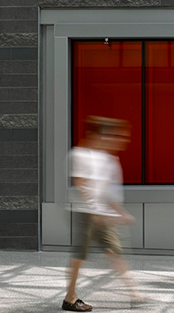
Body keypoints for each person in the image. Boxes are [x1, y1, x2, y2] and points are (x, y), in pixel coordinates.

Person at [62, 116, 143, 312]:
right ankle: (69, 298)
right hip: (85, 213)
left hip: (102, 213)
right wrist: (94, 211)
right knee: (80, 255)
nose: (118, 141)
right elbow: (81, 184)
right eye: (112, 136)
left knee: (114, 252)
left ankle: (135, 294)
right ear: (97, 135)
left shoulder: (107, 158)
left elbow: (106, 192)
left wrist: (120, 212)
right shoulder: (79, 154)